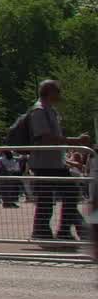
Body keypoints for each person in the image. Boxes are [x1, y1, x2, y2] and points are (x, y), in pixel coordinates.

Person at [22, 78, 93, 241]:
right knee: (61, 195)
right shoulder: (39, 111)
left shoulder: (50, 110)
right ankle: (51, 231)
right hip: (44, 163)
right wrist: (74, 141)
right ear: (50, 92)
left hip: (54, 162)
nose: (60, 94)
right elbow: (44, 137)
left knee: (56, 196)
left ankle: (50, 230)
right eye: (58, 91)